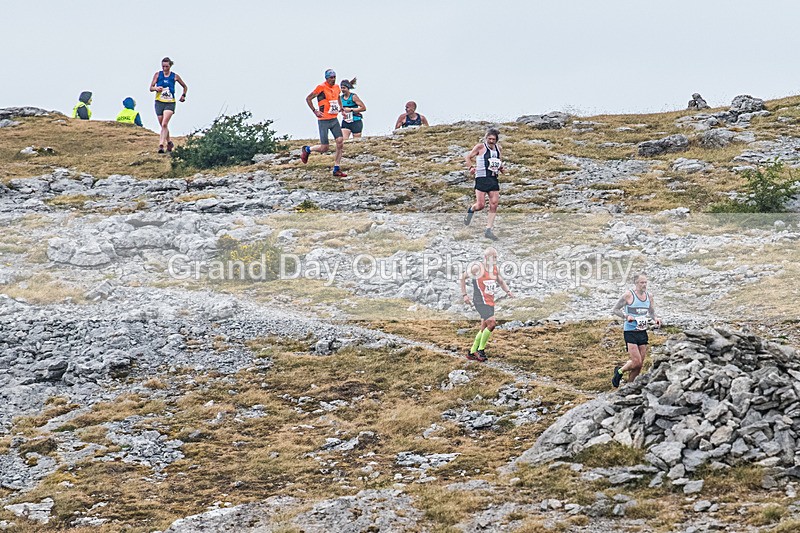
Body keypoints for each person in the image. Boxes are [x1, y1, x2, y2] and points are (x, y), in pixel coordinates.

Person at [459, 247, 514, 362]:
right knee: (492, 324)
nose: (495, 259)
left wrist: (508, 291)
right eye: (492, 257)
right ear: (486, 257)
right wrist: (465, 295)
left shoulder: (495, 269)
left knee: (484, 327)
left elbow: (501, 281)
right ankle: (480, 350)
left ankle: (472, 352)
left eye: (496, 257)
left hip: (490, 301)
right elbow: (463, 277)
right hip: (480, 301)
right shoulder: (477, 268)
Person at [611, 273, 662, 388]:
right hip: (630, 331)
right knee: (636, 362)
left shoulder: (649, 296)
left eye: (645, 282)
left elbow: (651, 311)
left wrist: (655, 319)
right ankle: (619, 371)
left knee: (639, 366)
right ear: (636, 283)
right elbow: (615, 309)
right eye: (641, 283)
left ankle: (629, 388)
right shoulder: (629, 295)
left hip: (642, 331)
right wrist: (626, 317)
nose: (644, 285)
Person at [301, 69, 347, 177]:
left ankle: (336, 168)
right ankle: (307, 149)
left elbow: (337, 98)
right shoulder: (320, 87)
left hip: (334, 119)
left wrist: (341, 109)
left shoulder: (336, 88)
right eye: (331, 77)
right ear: (326, 78)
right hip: (323, 120)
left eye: (334, 77)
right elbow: (308, 98)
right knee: (324, 148)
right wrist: (315, 111)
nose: (333, 79)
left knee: (340, 142)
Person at [463, 128, 503, 241]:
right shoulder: (480, 147)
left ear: (496, 140)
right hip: (481, 178)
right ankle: (471, 210)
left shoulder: (498, 149)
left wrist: (501, 168)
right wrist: (470, 167)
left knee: (494, 203)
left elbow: (499, 162)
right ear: (486, 138)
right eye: (489, 139)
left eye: (493, 139)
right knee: (480, 205)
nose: (491, 141)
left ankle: (488, 230)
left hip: (493, 178)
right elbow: (468, 156)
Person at [149, 57, 187, 153]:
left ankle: (161, 145)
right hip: (159, 102)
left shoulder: (174, 76)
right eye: (163, 66)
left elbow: (185, 86)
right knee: (163, 125)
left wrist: (183, 95)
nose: (165, 68)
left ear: (170, 66)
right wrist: (156, 88)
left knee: (164, 124)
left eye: (166, 66)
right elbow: (151, 88)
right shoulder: (158, 75)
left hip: (170, 103)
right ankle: (169, 142)